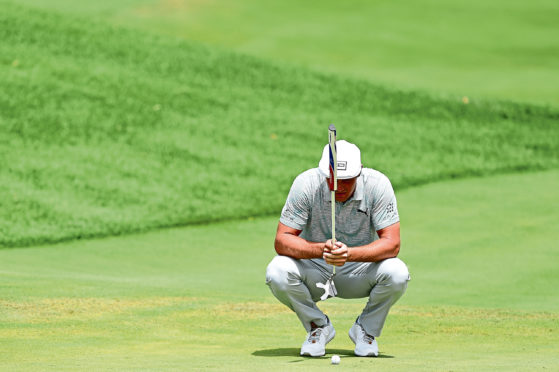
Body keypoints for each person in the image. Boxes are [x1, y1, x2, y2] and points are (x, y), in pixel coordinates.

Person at [266, 140, 410, 357]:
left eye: (346, 180)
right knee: (277, 270)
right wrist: (321, 249)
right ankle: (318, 327)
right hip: (315, 270)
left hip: (358, 271)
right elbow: (282, 240)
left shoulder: (378, 184)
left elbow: (392, 243)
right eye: (332, 179)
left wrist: (349, 254)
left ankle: (365, 330)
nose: (338, 186)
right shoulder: (306, 183)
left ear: (359, 173)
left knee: (398, 272)